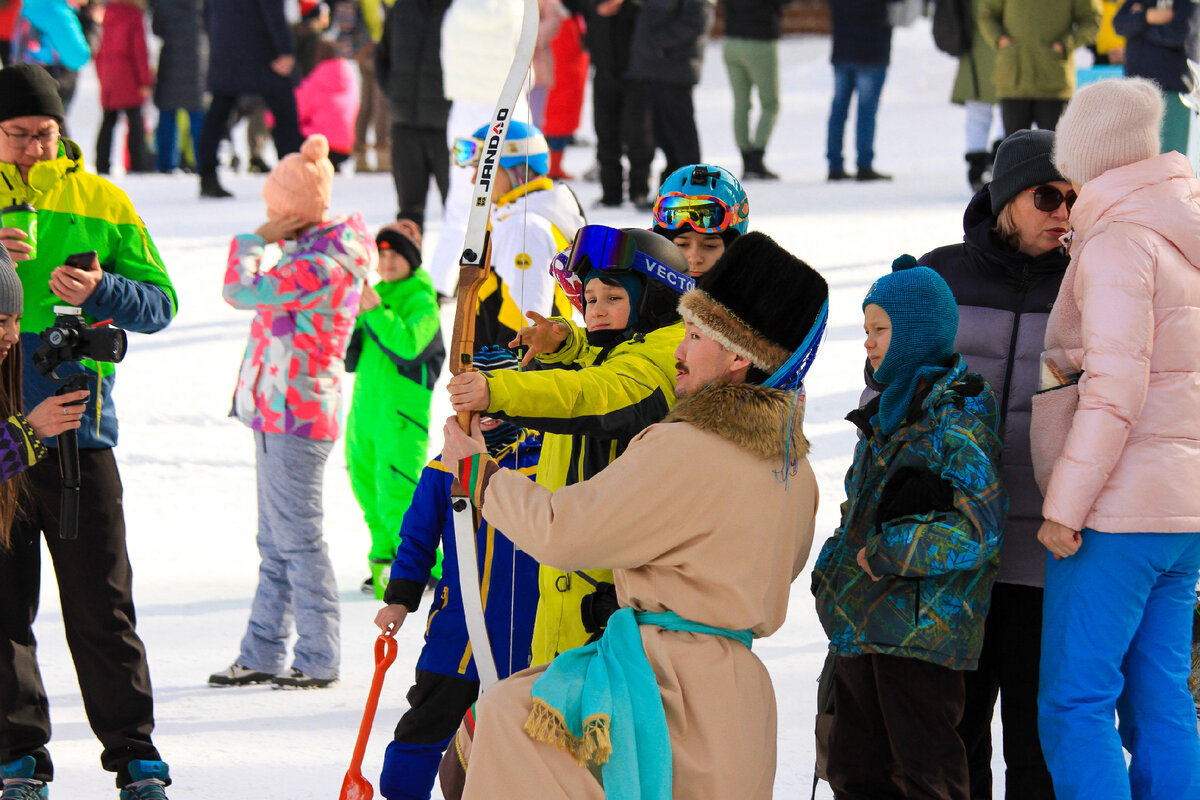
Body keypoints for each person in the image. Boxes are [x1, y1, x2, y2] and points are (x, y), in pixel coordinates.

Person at [437, 231, 829, 800]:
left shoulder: (688, 446)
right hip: (739, 706)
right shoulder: (795, 468)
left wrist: (480, 476)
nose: (677, 350)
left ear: (739, 355)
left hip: (660, 700)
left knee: (496, 725)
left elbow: (561, 532)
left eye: (694, 336)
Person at [0, 63, 179, 800]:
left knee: (102, 605)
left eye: (45, 135)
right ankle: (18, 754)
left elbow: (161, 303)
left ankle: (135, 753)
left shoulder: (102, 199)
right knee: (4, 607)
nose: (36, 149)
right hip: (7, 435)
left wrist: (104, 289)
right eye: (18, 136)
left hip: (82, 430)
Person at [1033, 77, 1200, 800]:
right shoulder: (1184, 228)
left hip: (1117, 513)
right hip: (1185, 514)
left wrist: (1063, 507)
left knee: (1076, 704)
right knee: (1164, 695)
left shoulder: (1119, 244)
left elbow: (1115, 390)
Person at [448, 225, 692, 666]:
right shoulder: (620, 347)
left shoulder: (664, 359)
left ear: (653, 299)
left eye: (614, 298)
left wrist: (496, 392)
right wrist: (563, 342)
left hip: (611, 592)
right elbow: (594, 360)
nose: (595, 310)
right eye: (591, 298)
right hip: (572, 578)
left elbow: (590, 393)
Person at [812, 261, 1007, 800]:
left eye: (881, 330)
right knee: (854, 769)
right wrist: (832, 571)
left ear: (917, 335)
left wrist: (889, 550)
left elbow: (979, 528)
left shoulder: (957, 417)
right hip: (864, 622)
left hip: (924, 633)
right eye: (867, 330)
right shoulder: (885, 411)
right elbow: (857, 513)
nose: (869, 344)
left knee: (925, 775)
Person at [918, 128, 1070, 799]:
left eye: (1074, 198)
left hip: (1047, 557)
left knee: (1039, 748)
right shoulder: (941, 274)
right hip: (954, 556)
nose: (1063, 211)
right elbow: (889, 396)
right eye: (1047, 196)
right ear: (1006, 198)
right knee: (956, 739)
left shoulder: (1091, 284)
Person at [210, 134, 376, 690]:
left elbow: (239, 289)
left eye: (273, 210)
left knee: (299, 540)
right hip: (273, 412)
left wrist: (255, 240)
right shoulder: (314, 255)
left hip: (296, 416)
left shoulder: (321, 265)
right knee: (274, 542)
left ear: (290, 212)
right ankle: (262, 651)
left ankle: (319, 656)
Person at [373, 347, 541, 800]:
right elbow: (417, 538)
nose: (478, 411)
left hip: (529, 628)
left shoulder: (542, 462)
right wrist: (400, 598)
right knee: (427, 721)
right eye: (465, 398)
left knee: (524, 734)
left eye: (487, 395)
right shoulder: (442, 467)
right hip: (458, 629)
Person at [346, 220, 443, 600]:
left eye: (394, 255)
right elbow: (349, 355)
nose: (386, 262)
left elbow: (408, 345)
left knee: (398, 497)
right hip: (365, 416)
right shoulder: (375, 293)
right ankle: (385, 567)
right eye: (381, 254)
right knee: (367, 491)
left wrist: (378, 311)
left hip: (400, 420)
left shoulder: (421, 299)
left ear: (409, 259)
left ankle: (426, 569)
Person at [452, 119, 585, 348]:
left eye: (484, 170)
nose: (475, 180)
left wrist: (501, 372)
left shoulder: (526, 228)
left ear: (516, 170)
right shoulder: (512, 216)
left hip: (508, 367)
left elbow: (527, 320)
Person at [197, 0, 304, 198]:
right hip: (262, 51)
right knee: (285, 113)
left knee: (218, 111)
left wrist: (218, 40)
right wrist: (285, 50)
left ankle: (207, 175)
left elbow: (206, 13)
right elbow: (272, 10)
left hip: (225, 48)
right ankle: (293, 178)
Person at [562, 0, 653, 209]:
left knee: (639, 134)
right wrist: (596, 6)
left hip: (638, 70)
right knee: (605, 133)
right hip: (604, 69)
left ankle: (640, 190)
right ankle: (611, 194)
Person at [375, 0, 452, 228]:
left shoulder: (461, 9)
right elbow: (383, 58)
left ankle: (463, 265)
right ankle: (409, 264)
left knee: (458, 211)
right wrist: (396, 94)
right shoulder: (402, 8)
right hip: (405, 125)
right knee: (408, 212)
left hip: (448, 128)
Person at [977, 0, 1101, 136]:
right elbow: (986, 14)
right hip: (1014, 80)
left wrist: (1065, 44)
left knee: (1055, 149)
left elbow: (1092, 20)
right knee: (1015, 151)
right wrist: (999, 39)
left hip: (1054, 82)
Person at [629, 0, 714, 182]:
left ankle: (693, 187)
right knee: (662, 134)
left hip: (675, 70)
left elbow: (695, 21)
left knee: (682, 134)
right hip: (653, 69)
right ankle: (673, 185)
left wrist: (656, 42)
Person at [1113, 0, 1196, 158]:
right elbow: (1119, 24)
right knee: (1136, 155)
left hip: (1172, 89)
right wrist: (1149, 17)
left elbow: (1177, 34)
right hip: (1136, 87)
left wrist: (1139, 25)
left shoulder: (1187, 2)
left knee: (1170, 156)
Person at [826, 0, 894, 182]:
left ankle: (834, 165)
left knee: (838, 109)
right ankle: (864, 164)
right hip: (871, 50)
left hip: (843, 48)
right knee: (866, 111)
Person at [722, 0, 787, 180]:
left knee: (741, 104)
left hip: (732, 41)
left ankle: (746, 157)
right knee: (770, 103)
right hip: (761, 40)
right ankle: (756, 158)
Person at [651, 163, 748, 278]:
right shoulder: (636, 288)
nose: (694, 259)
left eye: (710, 246)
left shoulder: (755, 289)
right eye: (682, 244)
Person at [949, 0, 1003, 190]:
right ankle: (996, 163)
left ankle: (979, 168)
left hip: (975, 48)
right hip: (1003, 48)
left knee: (979, 112)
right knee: (1008, 108)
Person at [94, 0, 153, 175]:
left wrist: (102, 75)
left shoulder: (105, 13)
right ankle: (137, 165)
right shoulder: (133, 15)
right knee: (135, 122)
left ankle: (102, 164)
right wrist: (144, 81)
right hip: (129, 75)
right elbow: (139, 51)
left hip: (109, 74)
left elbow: (97, 48)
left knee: (108, 121)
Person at [149, 0, 208, 174]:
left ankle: (165, 164)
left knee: (167, 114)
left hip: (170, 60)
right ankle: (203, 162)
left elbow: (156, 28)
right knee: (198, 115)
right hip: (197, 60)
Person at [295, 39, 359, 169]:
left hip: (321, 144)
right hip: (346, 144)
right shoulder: (349, 77)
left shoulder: (317, 78)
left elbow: (298, 110)